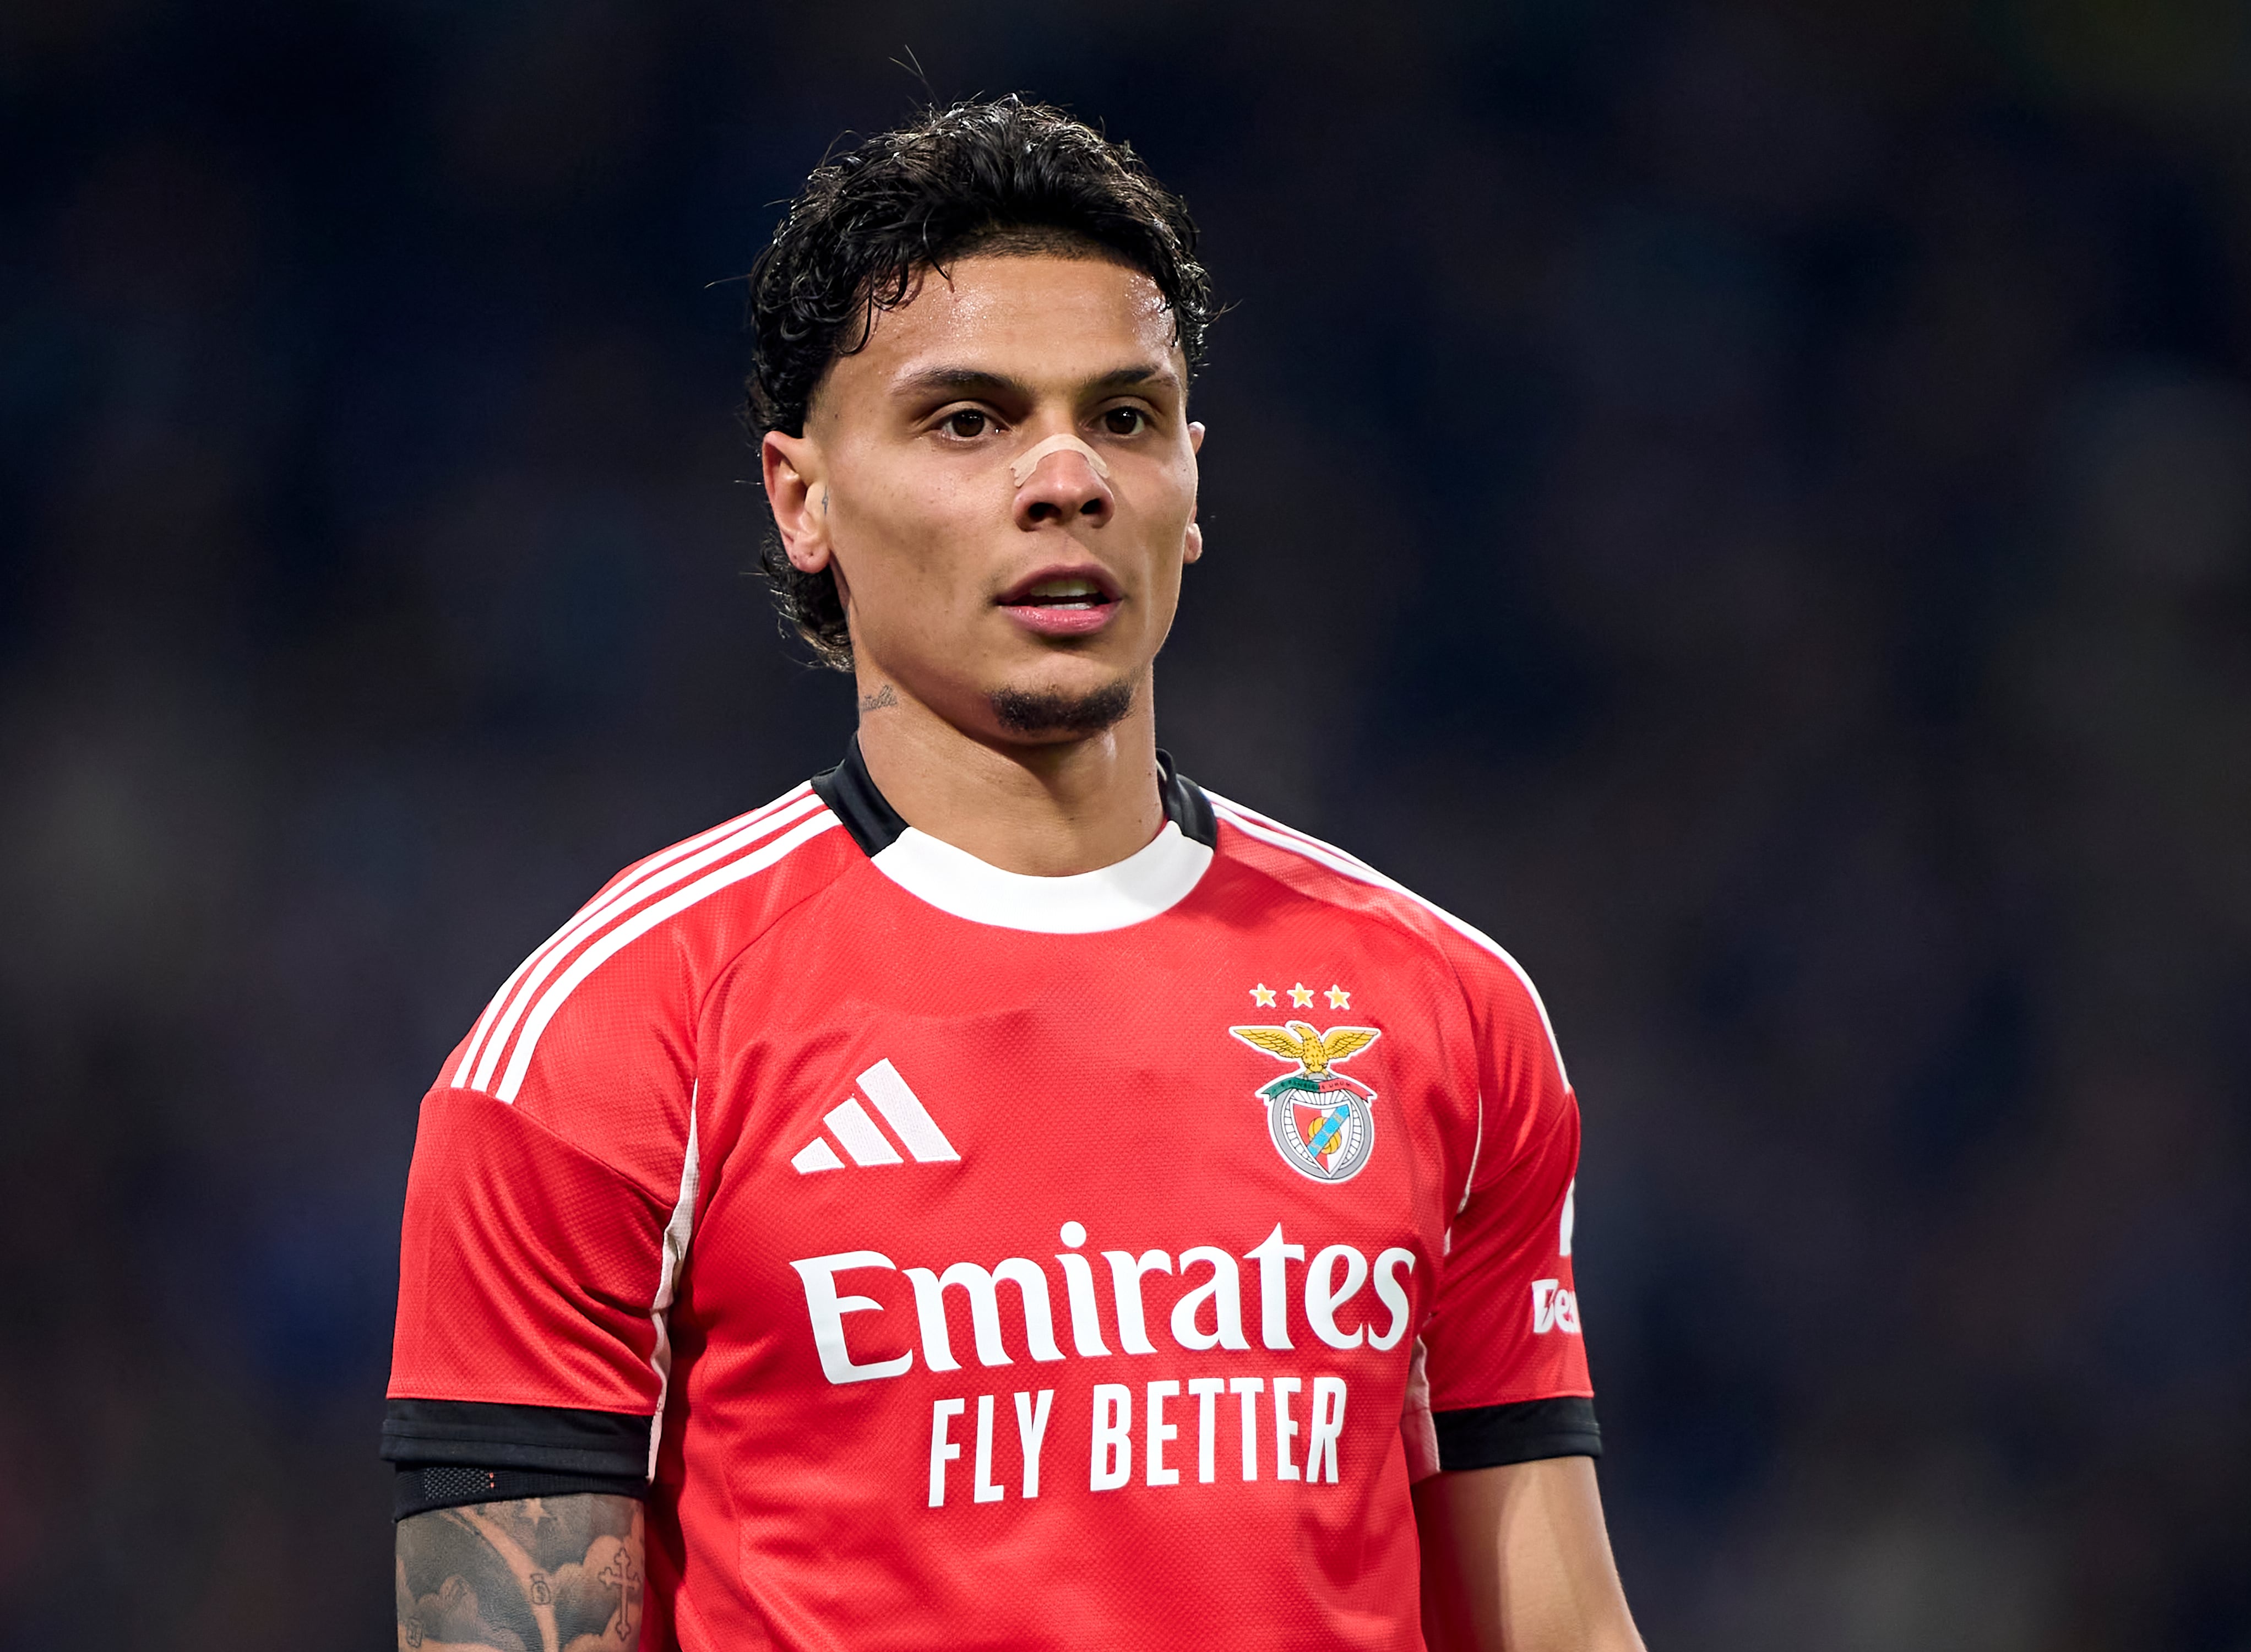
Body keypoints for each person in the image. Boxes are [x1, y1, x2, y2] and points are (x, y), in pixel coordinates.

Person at [384, 95, 1642, 1652]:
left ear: (1190, 484)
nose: (1067, 479)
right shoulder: (607, 1044)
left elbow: (1559, 1624)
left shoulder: (1443, 1006)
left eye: (1122, 416)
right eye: (966, 421)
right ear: (804, 501)